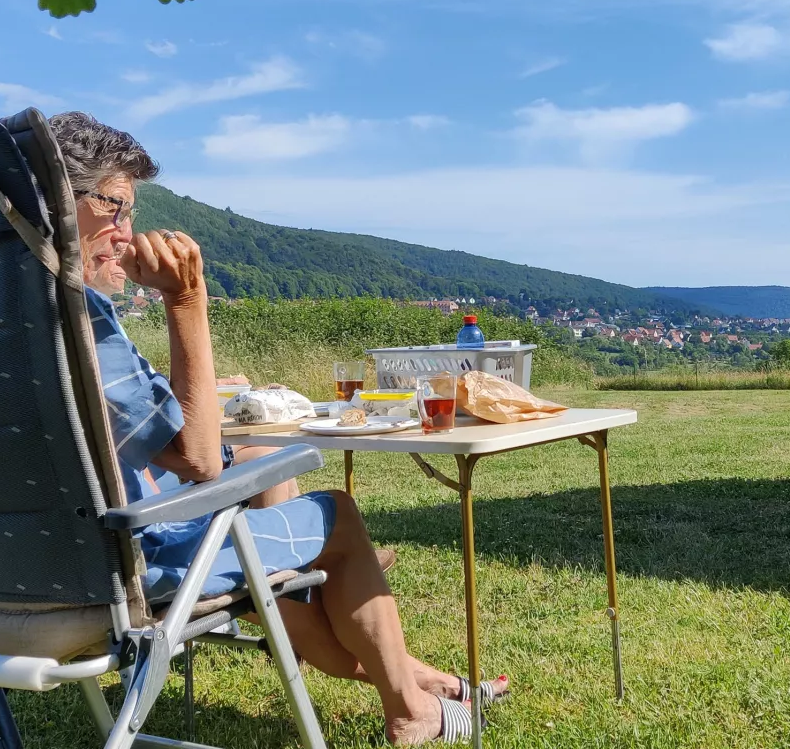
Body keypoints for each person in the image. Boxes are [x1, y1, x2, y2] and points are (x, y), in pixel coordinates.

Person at [47, 111, 509, 744]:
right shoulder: (76, 318)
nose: (127, 234)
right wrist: (187, 301)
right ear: (60, 201)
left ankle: (417, 675)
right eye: (116, 208)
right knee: (338, 517)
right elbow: (201, 458)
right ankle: (414, 705)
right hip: (117, 569)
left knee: (260, 456)